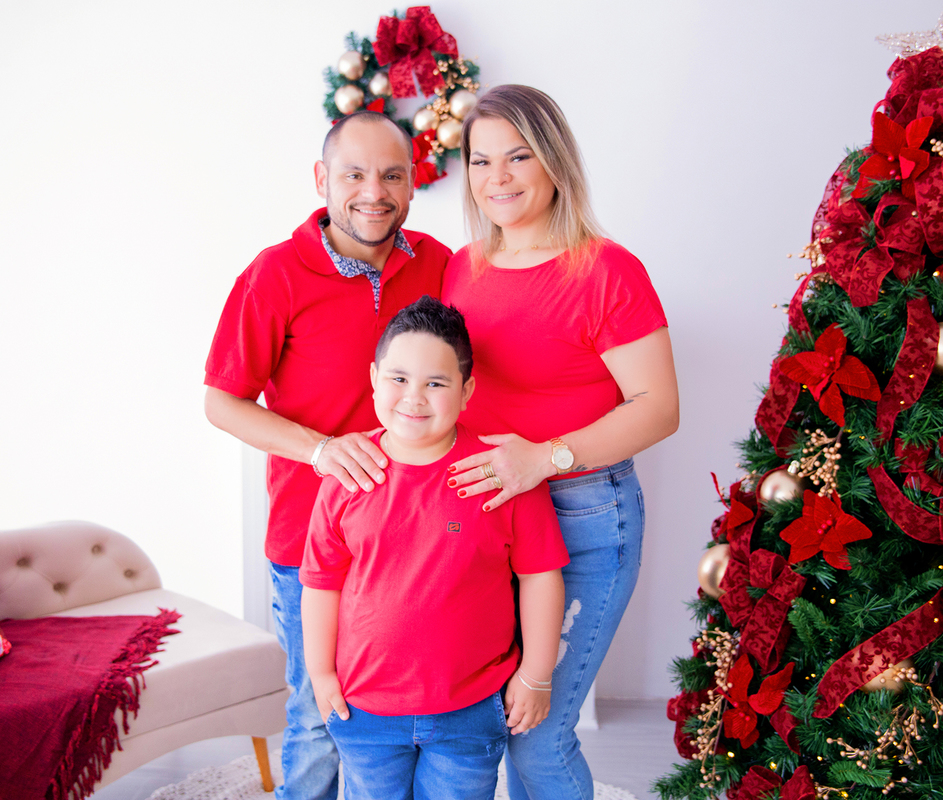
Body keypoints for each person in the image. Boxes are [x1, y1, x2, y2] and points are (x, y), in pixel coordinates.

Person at [203, 111, 451, 800]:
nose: (374, 191)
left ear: (411, 184)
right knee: (319, 712)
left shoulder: (439, 265)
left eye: (392, 175)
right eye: (354, 174)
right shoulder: (274, 274)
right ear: (322, 180)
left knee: (414, 713)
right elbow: (222, 401)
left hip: (421, 541)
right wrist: (318, 449)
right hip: (313, 543)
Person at [442, 85, 680, 800]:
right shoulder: (462, 266)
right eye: (481, 161)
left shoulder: (606, 269)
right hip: (488, 520)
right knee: (487, 718)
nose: (499, 178)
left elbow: (659, 407)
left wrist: (543, 459)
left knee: (539, 737)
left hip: (582, 519)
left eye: (518, 157)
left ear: (554, 162)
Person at [299, 296, 569, 800]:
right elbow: (320, 582)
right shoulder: (347, 474)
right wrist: (319, 673)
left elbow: (540, 575)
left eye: (436, 383)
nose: (414, 398)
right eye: (399, 379)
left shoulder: (504, 472)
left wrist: (536, 674)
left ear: (466, 390)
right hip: (364, 709)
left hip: (469, 710)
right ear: (375, 377)